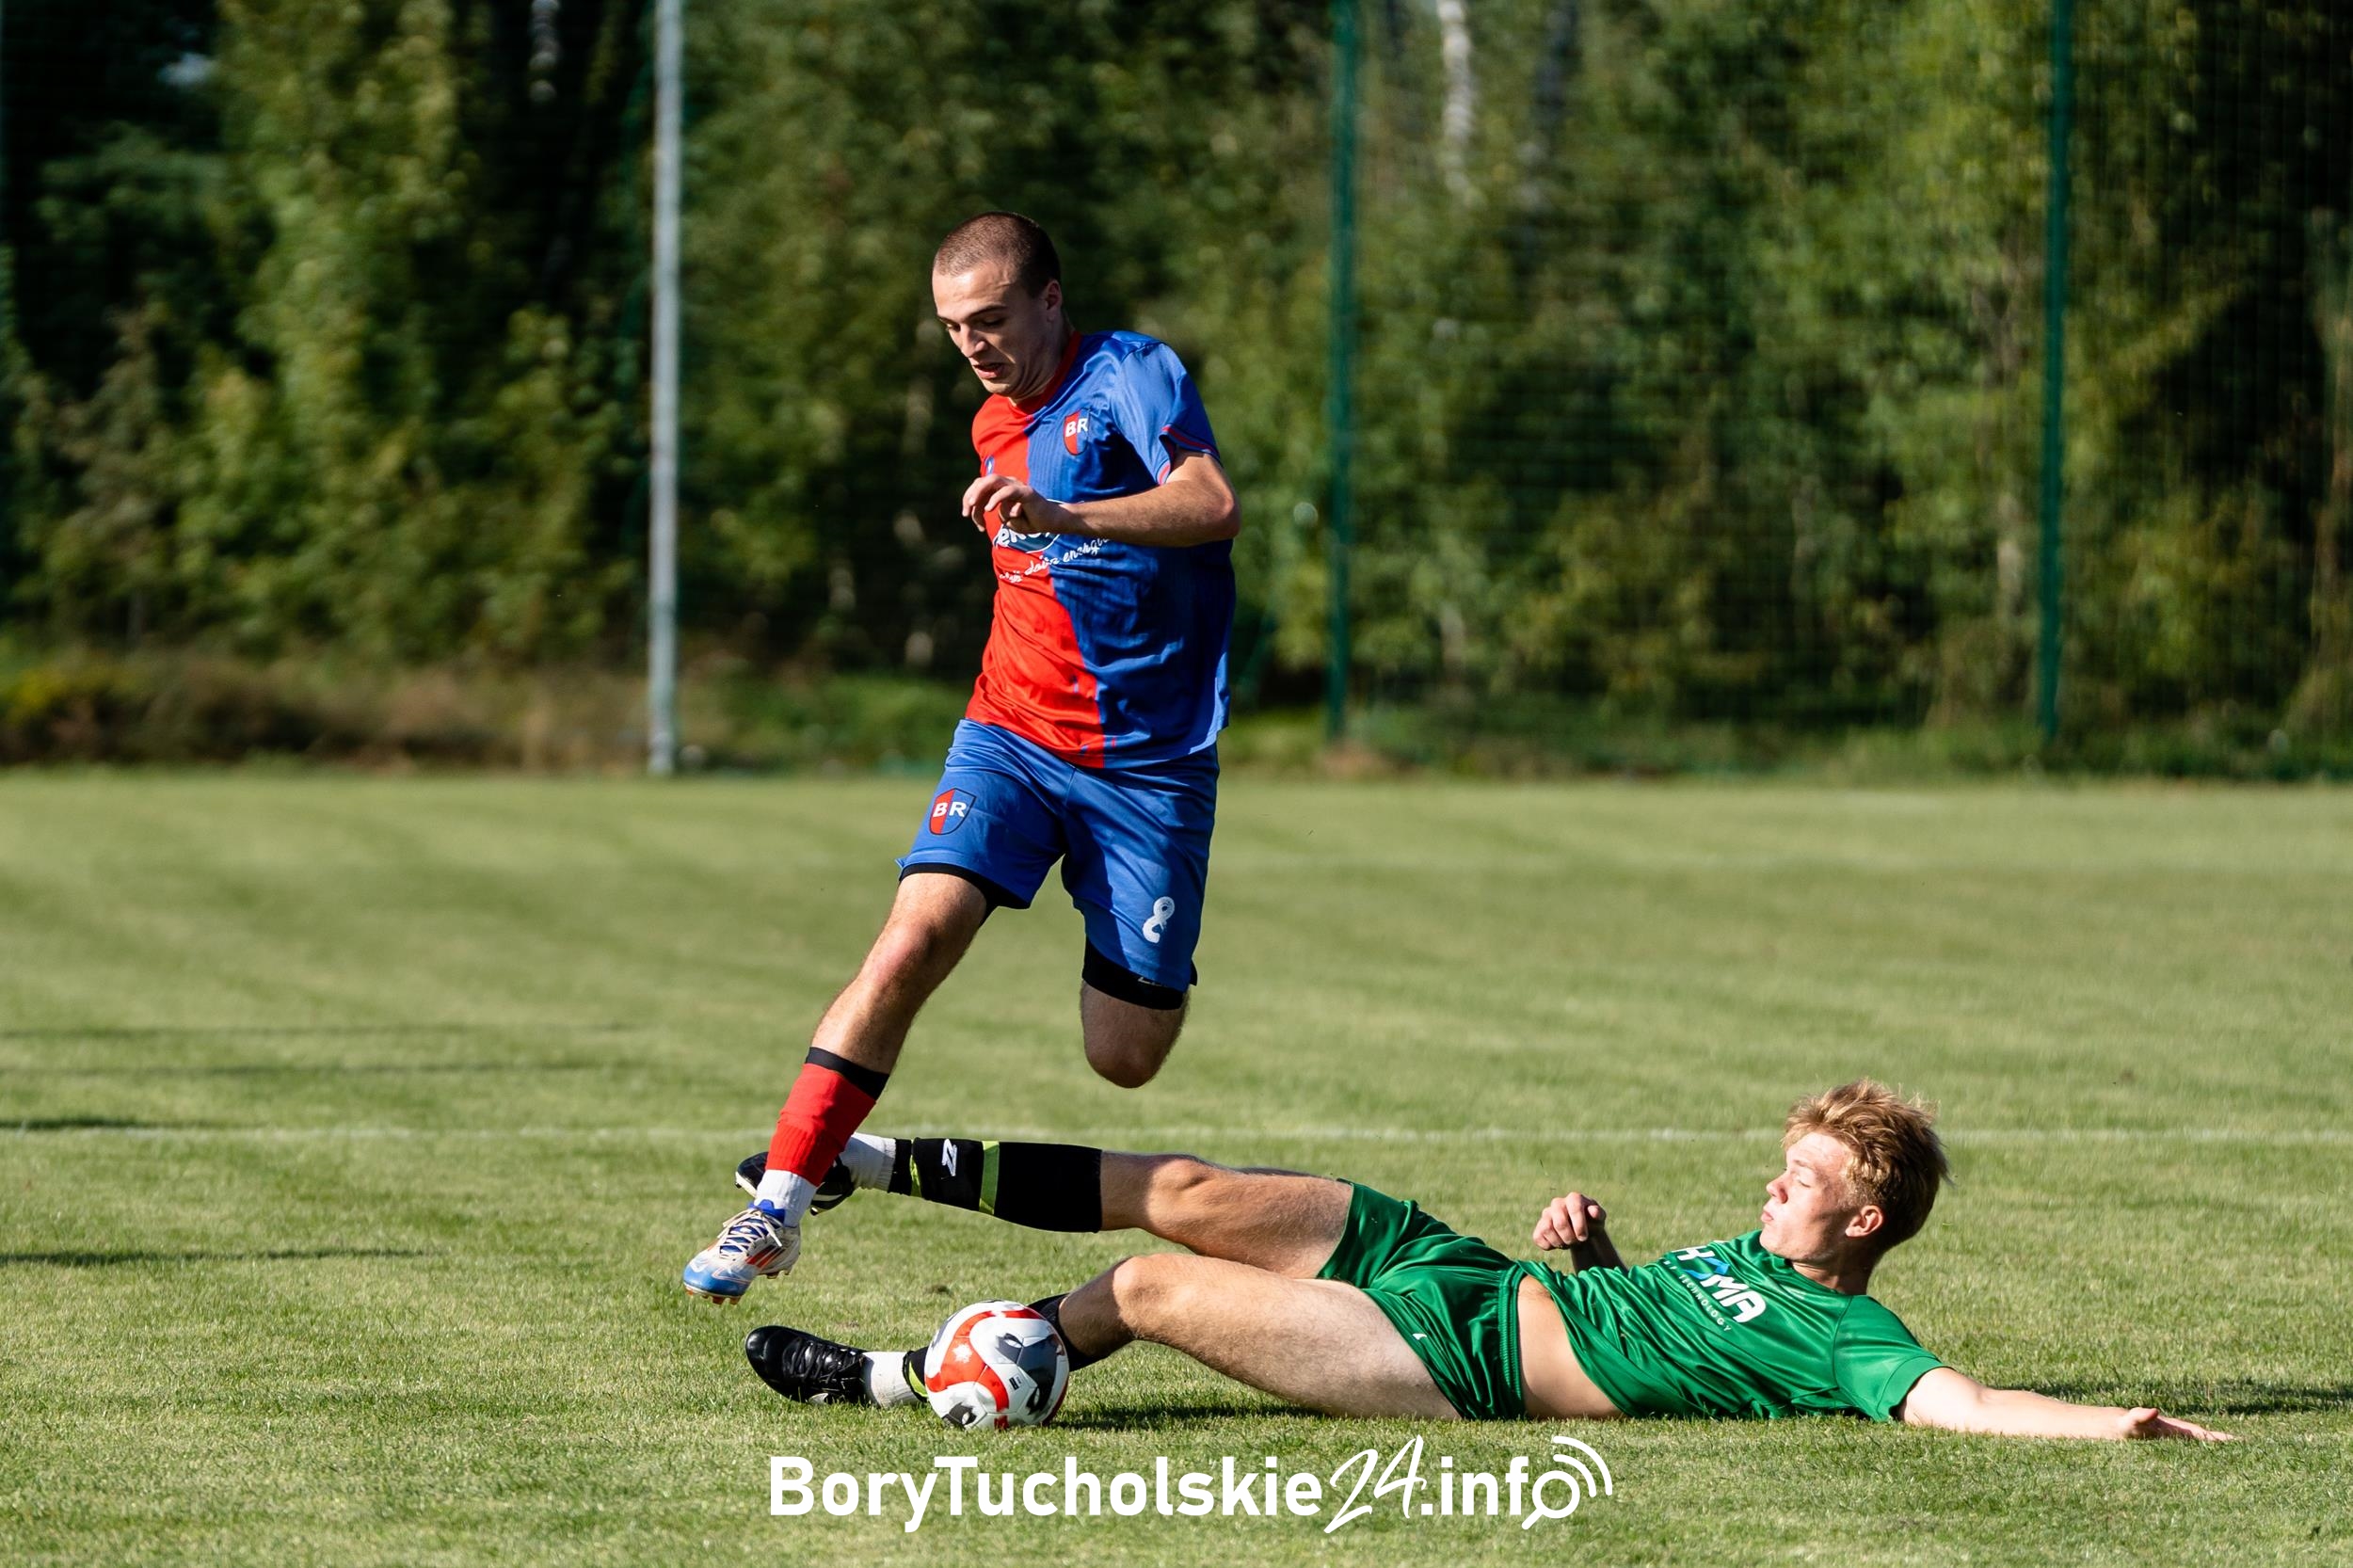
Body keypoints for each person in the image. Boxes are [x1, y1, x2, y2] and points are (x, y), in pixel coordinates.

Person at [684, 212, 1243, 1303]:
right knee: (908, 941)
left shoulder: (1129, 372)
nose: (973, 345)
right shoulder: (991, 421)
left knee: (1124, 1054)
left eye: (990, 319)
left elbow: (1210, 503)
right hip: (1010, 736)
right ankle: (779, 1203)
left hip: (1149, 768)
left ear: (1048, 298)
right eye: (952, 328)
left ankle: (865, 1159)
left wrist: (1066, 510)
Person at [737, 1081, 2233, 1441]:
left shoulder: (1848, 1337)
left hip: (1458, 1361)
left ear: (1861, 1223)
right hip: (1450, 1267)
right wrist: (1602, 1255)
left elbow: (1954, 1402)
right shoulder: (1763, 1271)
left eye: (1803, 1181)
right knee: (1186, 1190)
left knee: (1137, 1292)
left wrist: (2110, 1418)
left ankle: (883, 1376)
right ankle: (860, 1159)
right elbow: (1679, 1327)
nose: (1776, 1181)